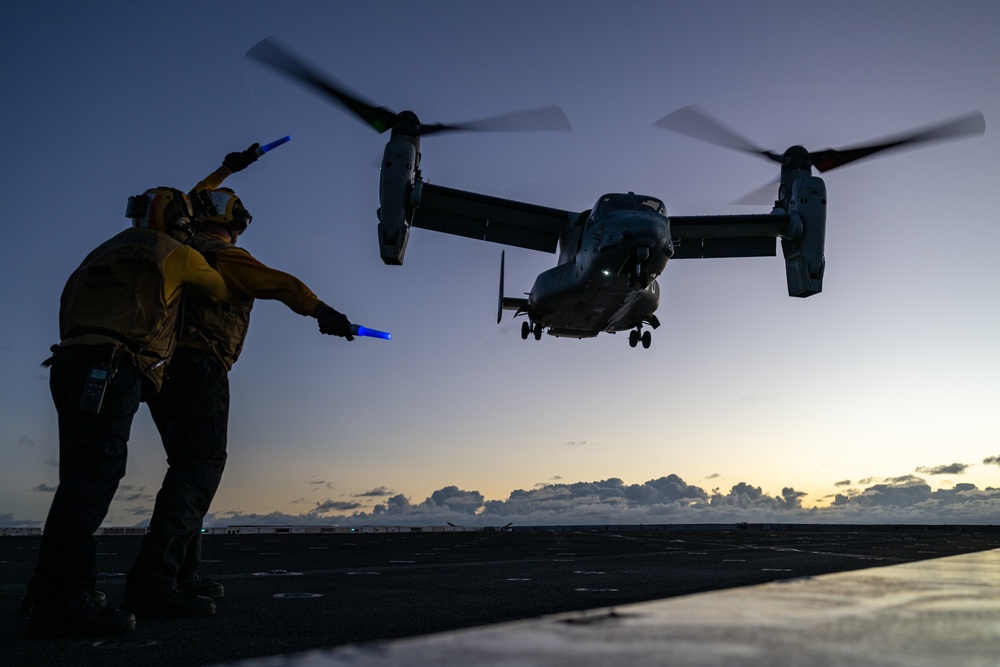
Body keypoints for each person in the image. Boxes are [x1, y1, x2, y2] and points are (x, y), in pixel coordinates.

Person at [122, 146, 355, 619]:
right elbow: (281, 283)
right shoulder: (225, 255)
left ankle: (181, 574)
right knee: (199, 470)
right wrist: (324, 313)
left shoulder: (181, 245)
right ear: (236, 219)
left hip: (161, 368)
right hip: (199, 365)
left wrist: (230, 167)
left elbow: (195, 194)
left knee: (187, 467)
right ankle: (156, 580)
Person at [24, 188, 231, 637]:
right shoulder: (175, 252)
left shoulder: (105, 248)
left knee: (79, 478)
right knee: (95, 478)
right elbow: (221, 288)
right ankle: (64, 599)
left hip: (69, 363)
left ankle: (48, 589)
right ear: (178, 222)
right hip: (114, 366)